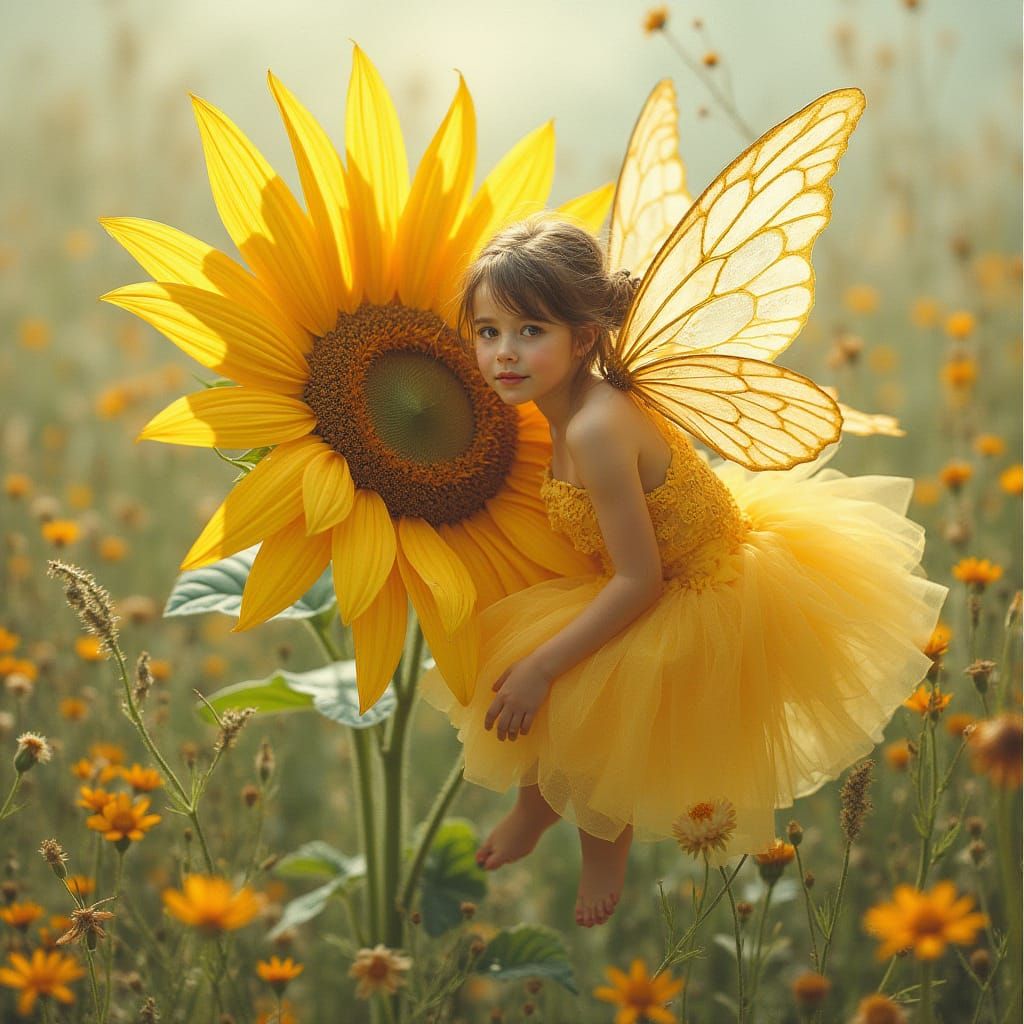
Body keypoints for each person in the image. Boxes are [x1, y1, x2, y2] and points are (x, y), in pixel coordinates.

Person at [418, 217, 947, 929]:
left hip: (698, 588)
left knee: (591, 702)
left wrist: (545, 664)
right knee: (539, 669)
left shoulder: (597, 429)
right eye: (487, 332)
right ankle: (532, 809)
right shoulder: (560, 408)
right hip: (642, 572)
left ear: (586, 336)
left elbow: (640, 583)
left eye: (530, 332)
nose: (504, 354)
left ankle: (603, 848)